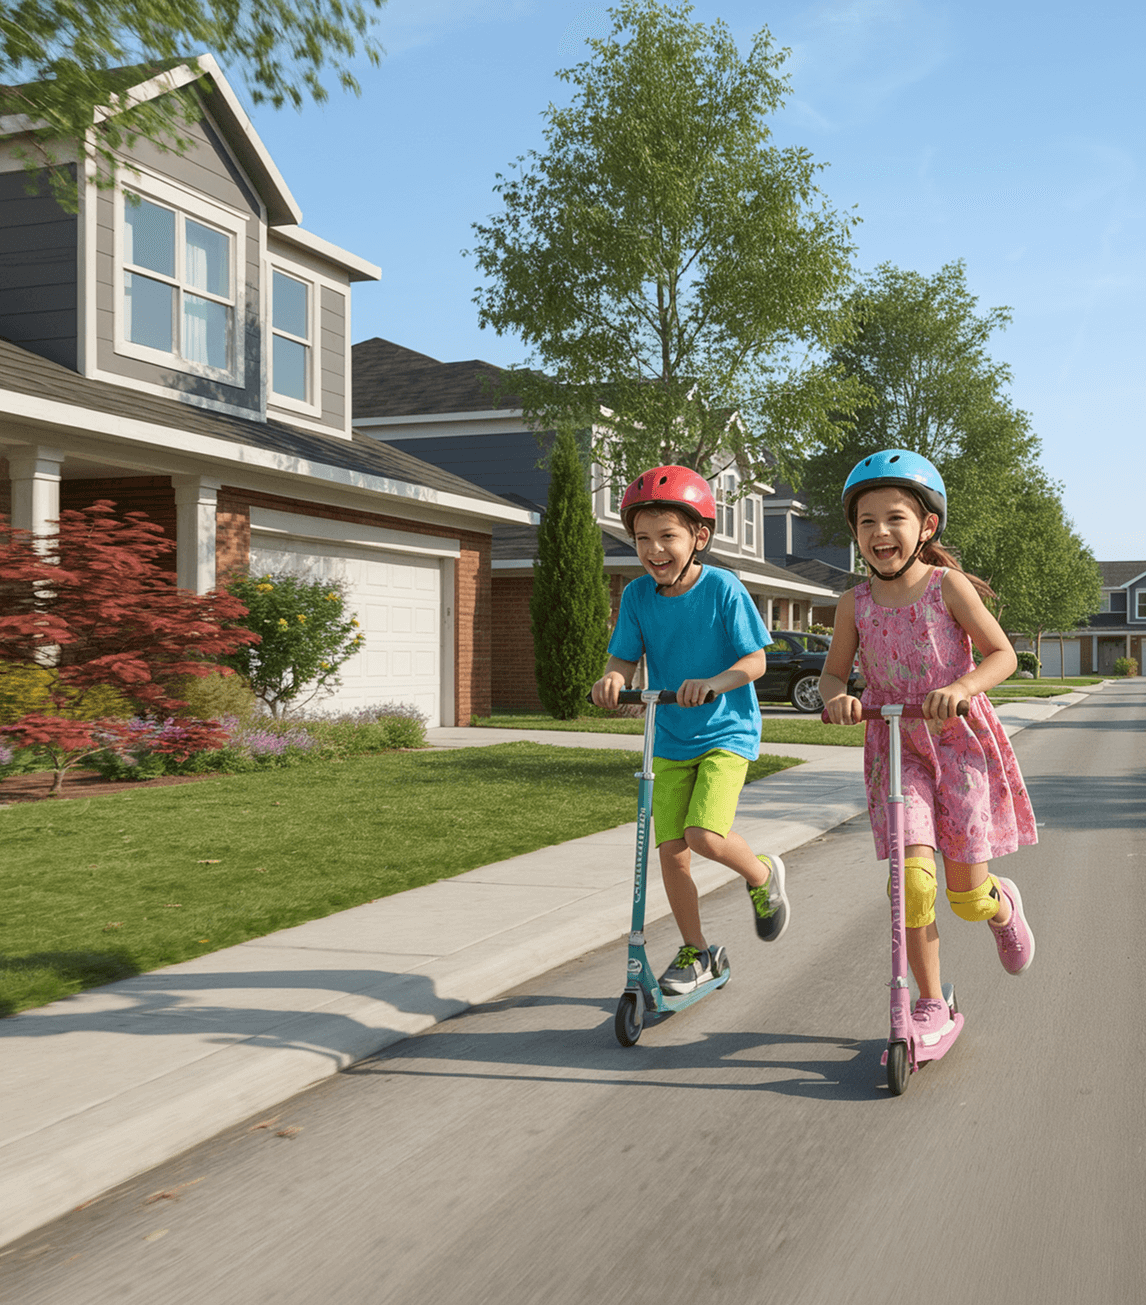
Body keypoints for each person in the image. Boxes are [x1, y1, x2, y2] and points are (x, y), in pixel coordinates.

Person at [819, 449, 1037, 1042]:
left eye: (894, 518)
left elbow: (1003, 655)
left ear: (927, 526)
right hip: (897, 750)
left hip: (958, 747)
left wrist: (962, 686)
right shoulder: (854, 605)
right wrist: (838, 696)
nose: (879, 532)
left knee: (966, 898)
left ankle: (1001, 907)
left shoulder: (949, 587)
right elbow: (834, 675)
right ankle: (930, 1004)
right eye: (866, 521)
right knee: (912, 885)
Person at [591, 465, 790, 995]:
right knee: (672, 851)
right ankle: (697, 952)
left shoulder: (723, 587)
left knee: (704, 835)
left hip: (727, 731)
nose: (655, 549)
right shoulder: (637, 597)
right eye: (643, 539)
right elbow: (621, 661)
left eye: (668, 537)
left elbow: (755, 662)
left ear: (699, 537)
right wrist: (611, 681)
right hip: (670, 737)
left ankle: (762, 875)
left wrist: (714, 683)